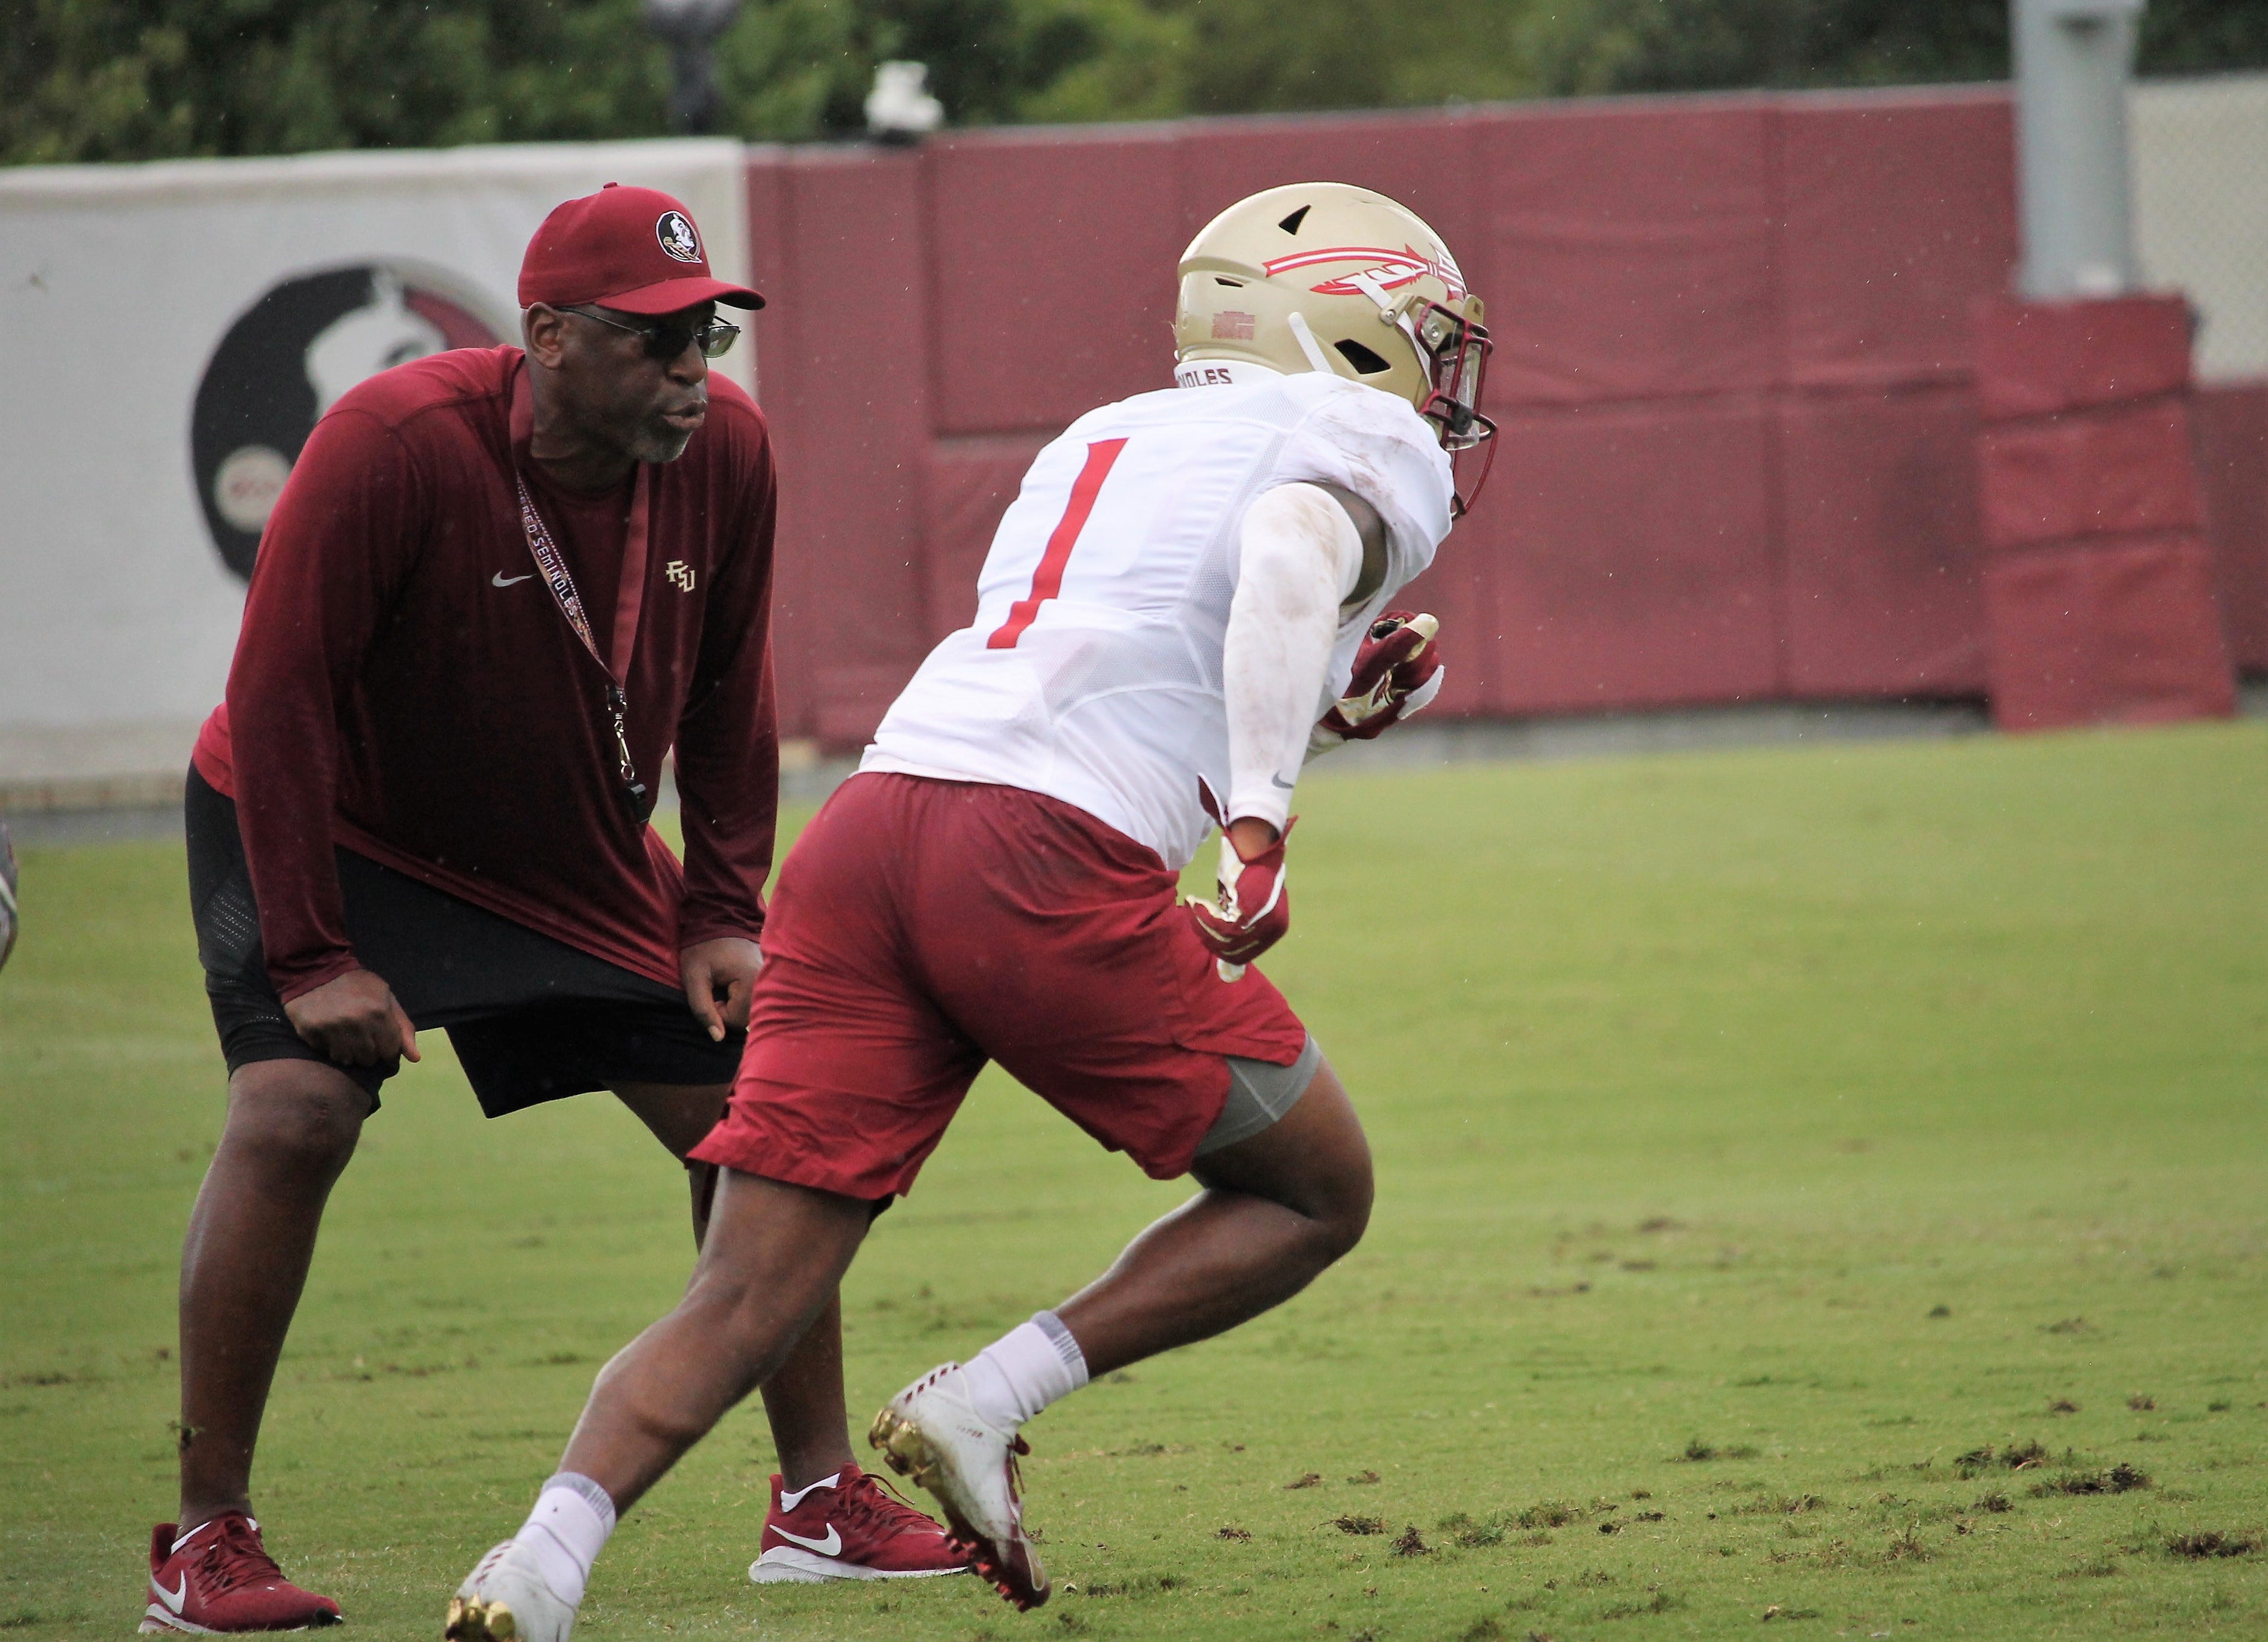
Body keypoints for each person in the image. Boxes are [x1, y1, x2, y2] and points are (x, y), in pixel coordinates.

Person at [442, 180, 1495, 1641]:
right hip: (1038, 862)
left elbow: (1138, 655)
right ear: (1342, 322)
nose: (1442, 386)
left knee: (746, 1289)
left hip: (878, 826)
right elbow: (1281, 562)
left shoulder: (1104, 434)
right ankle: (988, 1398)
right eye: (1425, 341)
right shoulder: (1361, 433)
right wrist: (1259, 810)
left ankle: (537, 1561)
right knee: (1315, 1189)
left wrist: (1321, 697)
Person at [148, 185, 961, 1637]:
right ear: (545, 338)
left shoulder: (731, 455)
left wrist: (723, 905)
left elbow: (727, 688)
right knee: (295, 1112)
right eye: (651, 343)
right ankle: (204, 1539)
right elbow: (276, 701)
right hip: (341, 821)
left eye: (703, 335)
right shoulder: (391, 444)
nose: (689, 372)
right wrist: (315, 953)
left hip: (565, 846)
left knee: (759, 1103)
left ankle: (817, 1501)